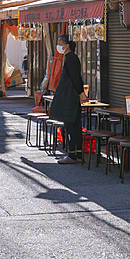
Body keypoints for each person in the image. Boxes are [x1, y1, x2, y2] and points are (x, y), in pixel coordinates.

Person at [47, 34, 86, 164]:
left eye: (60, 43)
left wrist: (81, 93)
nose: (58, 46)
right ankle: (78, 154)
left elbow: (75, 78)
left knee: (70, 125)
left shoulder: (70, 59)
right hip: (72, 96)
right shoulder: (71, 58)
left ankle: (72, 155)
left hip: (70, 97)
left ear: (67, 45)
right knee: (75, 125)